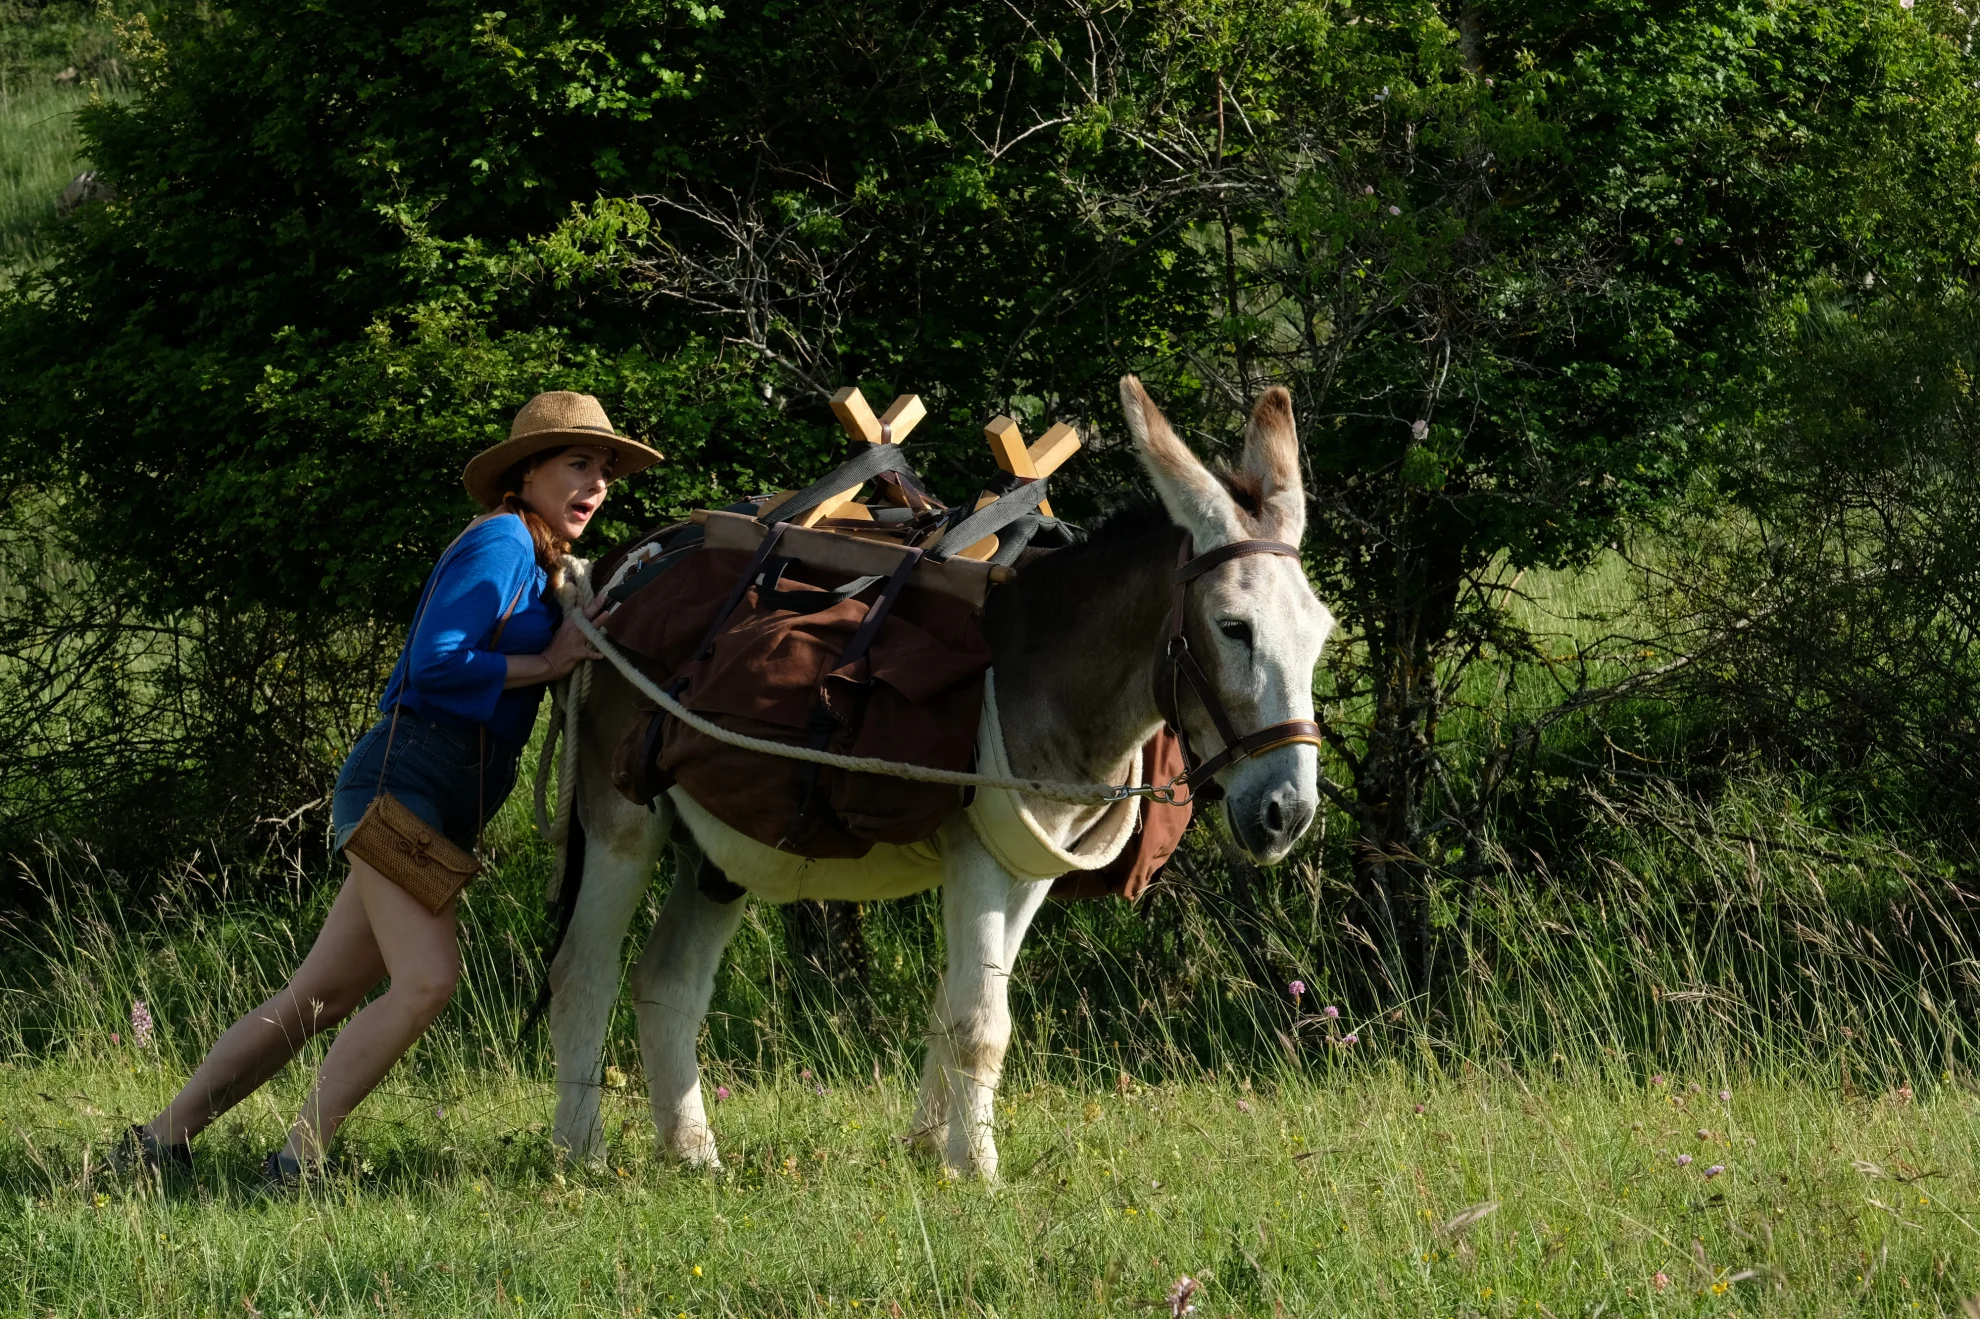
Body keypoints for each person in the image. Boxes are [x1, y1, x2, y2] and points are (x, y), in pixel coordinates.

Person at [116, 391, 660, 1186]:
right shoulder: (503, 540)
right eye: (579, 463)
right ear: (527, 473)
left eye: (605, 469)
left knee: (318, 995)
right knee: (427, 981)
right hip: (406, 781)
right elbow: (436, 661)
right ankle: (297, 1161)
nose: (598, 483)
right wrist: (548, 661)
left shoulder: (538, 557)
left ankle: (157, 1145)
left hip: (437, 793)